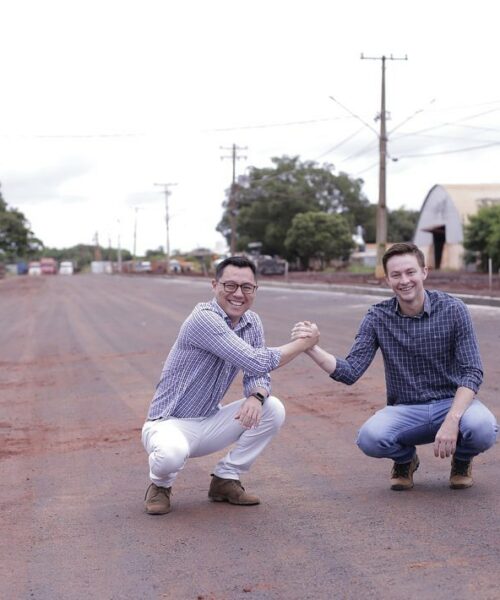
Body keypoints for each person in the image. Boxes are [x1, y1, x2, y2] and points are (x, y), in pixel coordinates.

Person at [292, 242, 497, 491]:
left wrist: (453, 420)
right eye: (396, 275)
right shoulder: (377, 317)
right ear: (387, 280)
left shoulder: (454, 310)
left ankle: (462, 460)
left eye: (410, 272)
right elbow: (350, 372)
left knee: (483, 428)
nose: (404, 280)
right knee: (370, 438)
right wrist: (311, 347)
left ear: (424, 272)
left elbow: (472, 371)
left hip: (451, 403)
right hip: (407, 409)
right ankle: (405, 459)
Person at [142, 255, 319, 514]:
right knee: (171, 454)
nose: (239, 294)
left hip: (210, 420)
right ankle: (160, 485)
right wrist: (305, 343)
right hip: (168, 423)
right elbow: (255, 359)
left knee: (273, 407)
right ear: (215, 286)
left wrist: (256, 396)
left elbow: (256, 373)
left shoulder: (251, 322)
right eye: (230, 286)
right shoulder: (203, 319)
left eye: (247, 287)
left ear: (255, 290)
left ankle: (226, 479)